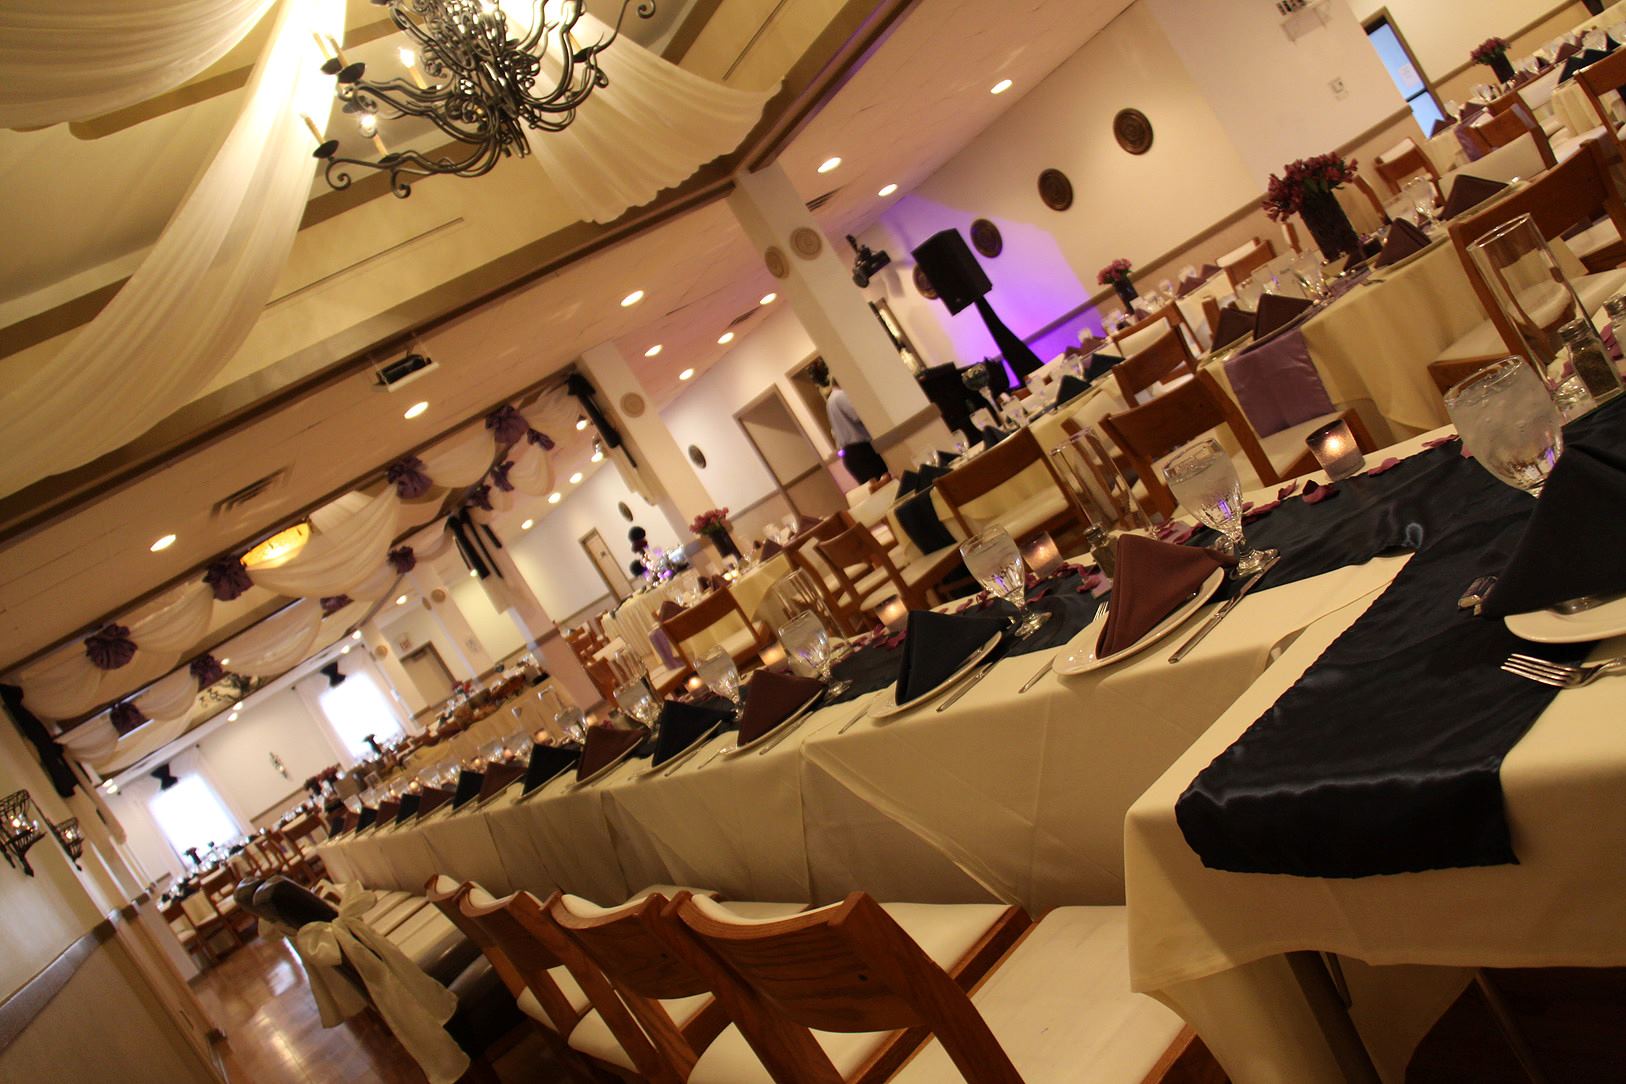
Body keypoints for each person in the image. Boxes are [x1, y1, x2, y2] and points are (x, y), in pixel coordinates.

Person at [810, 359, 888, 484]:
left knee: (876, 487)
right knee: (884, 484)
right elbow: (860, 417)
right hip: (862, 451)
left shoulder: (831, 400)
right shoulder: (841, 396)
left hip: (851, 455)